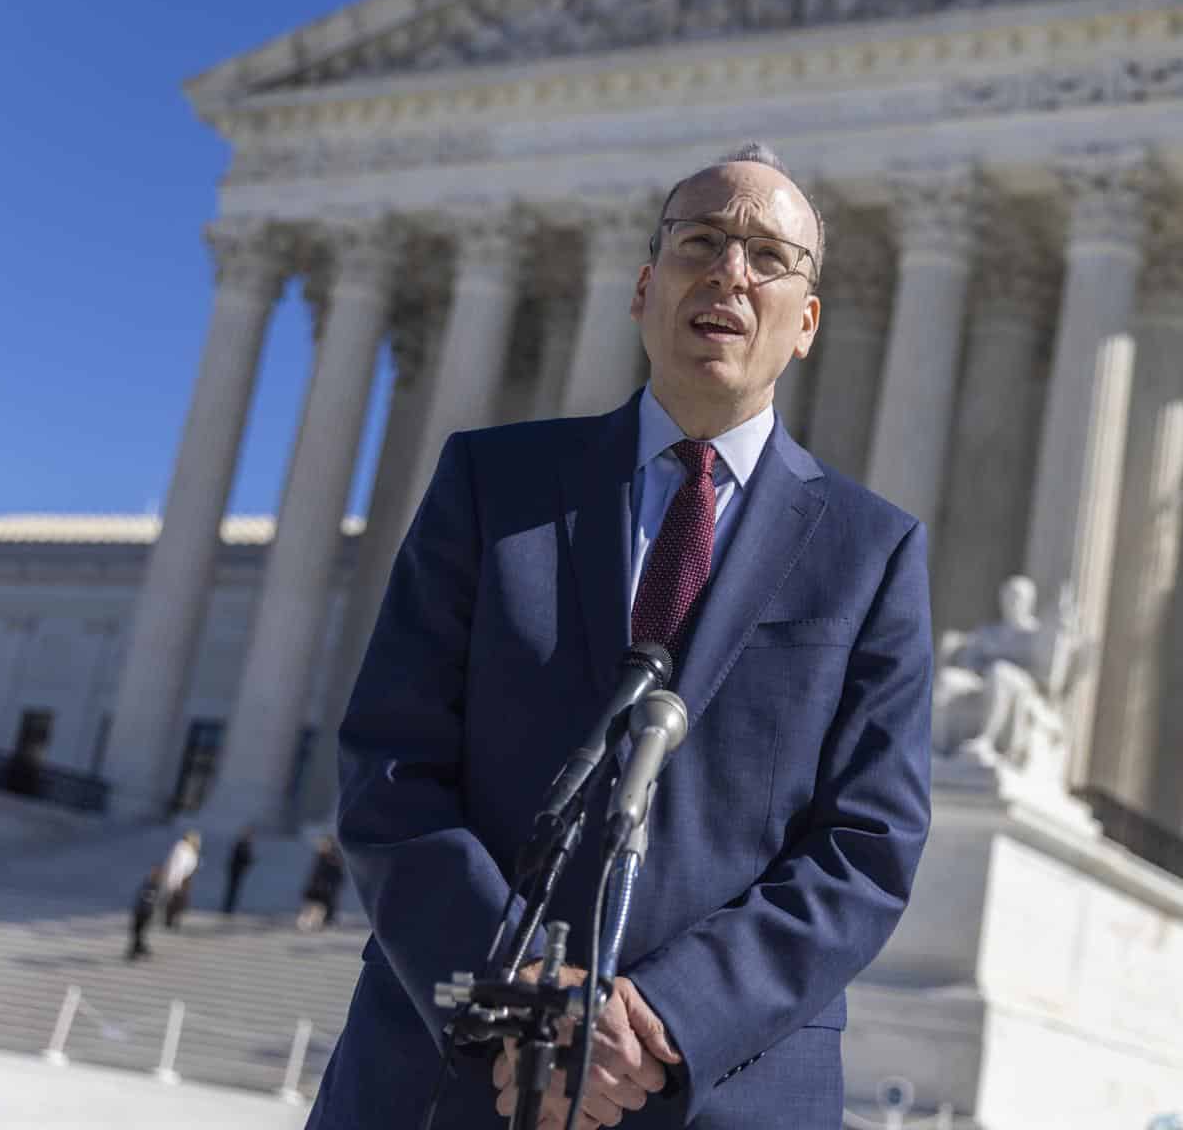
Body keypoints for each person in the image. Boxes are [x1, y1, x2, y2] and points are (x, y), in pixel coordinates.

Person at [307, 145, 934, 1130]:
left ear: (806, 321)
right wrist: (532, 1000)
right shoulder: (492, 487)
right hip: (452, 1074)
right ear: (645, 287)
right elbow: (390, 760)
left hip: (718, 1087)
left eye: (770, 255)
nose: (731, 272)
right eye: (702, 242)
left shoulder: (873, 552)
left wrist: (661, 1017)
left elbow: (866, 847)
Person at [298, 835, 345, 931]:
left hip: (328, 888)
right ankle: (307, 923)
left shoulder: (335, 858)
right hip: (318, 887)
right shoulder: (321, 858)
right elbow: (316, 874)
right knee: (313, 905)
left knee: (325, 906)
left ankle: (323, 923)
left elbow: (338, 874)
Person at [160, 828, 200, 929]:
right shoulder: (183, 851)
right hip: (180, 880)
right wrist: (176, 882)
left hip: (184, 880)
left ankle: (173, 919)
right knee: (176, 901)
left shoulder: (188, 850)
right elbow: (178, 868)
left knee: (179, 901)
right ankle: (170, 920)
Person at [126, 866, 160, 960]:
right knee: (136, 932)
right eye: (153, 872)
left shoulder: (154, 886)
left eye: (155, 873)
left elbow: (150, 900)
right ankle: (139, 950)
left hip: (145, 913)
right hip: (139, 911)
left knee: (138, 932)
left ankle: (135, 951)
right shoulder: (148, 884)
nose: (153, 874)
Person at [223, 825, 255, 916]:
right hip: (236, 870)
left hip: (238, 870)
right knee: (232, 890)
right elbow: (241, 857)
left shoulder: (244, 843)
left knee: (233, 890)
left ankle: (229, 907)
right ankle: (228, 908)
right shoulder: (242, 844)